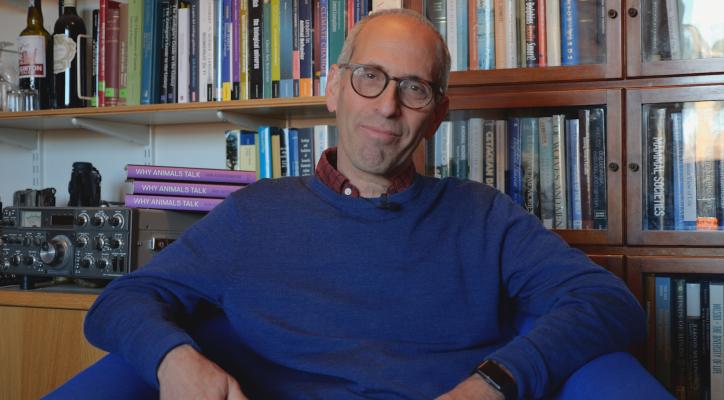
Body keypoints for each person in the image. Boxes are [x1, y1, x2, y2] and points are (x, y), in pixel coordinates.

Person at [84, 9, 646, 400]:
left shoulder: (483, 216)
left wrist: (494, 383)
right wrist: (173, 359)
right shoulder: (252, 215)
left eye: (414, 88)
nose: (388, 107)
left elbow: (608, 303)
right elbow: (121, 302)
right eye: (370, 78)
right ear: (334, 89)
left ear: (438, 114)